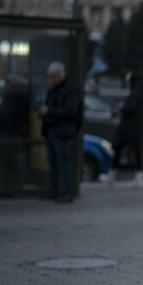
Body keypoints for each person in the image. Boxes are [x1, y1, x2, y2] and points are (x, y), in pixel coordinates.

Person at [39, 62, 81, 203]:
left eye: (53, 77)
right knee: (54, 163)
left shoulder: (69, 90)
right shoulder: (55, 89)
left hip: (61, 131)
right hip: (52, 129)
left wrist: (49, 111)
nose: (51, 80)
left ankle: (66, 192)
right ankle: (55, 190)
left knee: (63, 163)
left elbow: (70, 111)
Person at [105, 73, 143, 187]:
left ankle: (111, 176)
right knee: (136, 152)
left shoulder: (135, 95)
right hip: (137, 128)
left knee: (118, 150)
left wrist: (122, 107)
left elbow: (130, 108)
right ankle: (139, 178)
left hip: (128, 128)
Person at [0, 75, 29, 195]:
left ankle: (9, 188)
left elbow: (7, 118)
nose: (5, 88)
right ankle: (6, 187)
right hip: (5, 136)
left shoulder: (14, 102)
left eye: (7, 86)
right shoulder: (9, 101)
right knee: (6, 164)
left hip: (7, 137)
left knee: (7, 164)